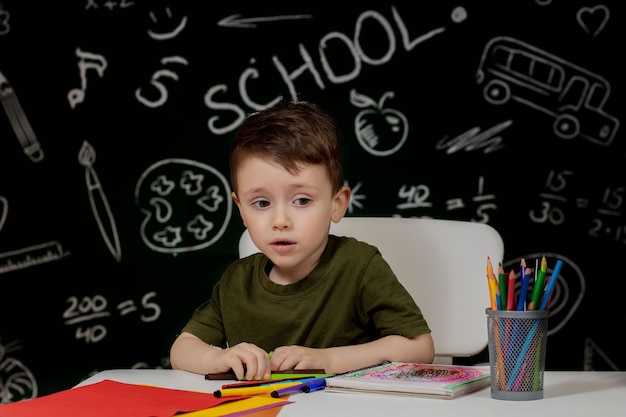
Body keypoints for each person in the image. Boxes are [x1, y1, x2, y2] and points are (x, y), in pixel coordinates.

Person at [170, 100, 434, 380]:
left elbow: (420, 347)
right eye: (261, 203)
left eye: (302, 200)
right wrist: (218, 357)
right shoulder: (236, 280)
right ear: (241, 211)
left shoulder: (359, 265)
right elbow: (181, 350)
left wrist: (328, 359)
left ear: (337, 204)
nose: (280, 220)